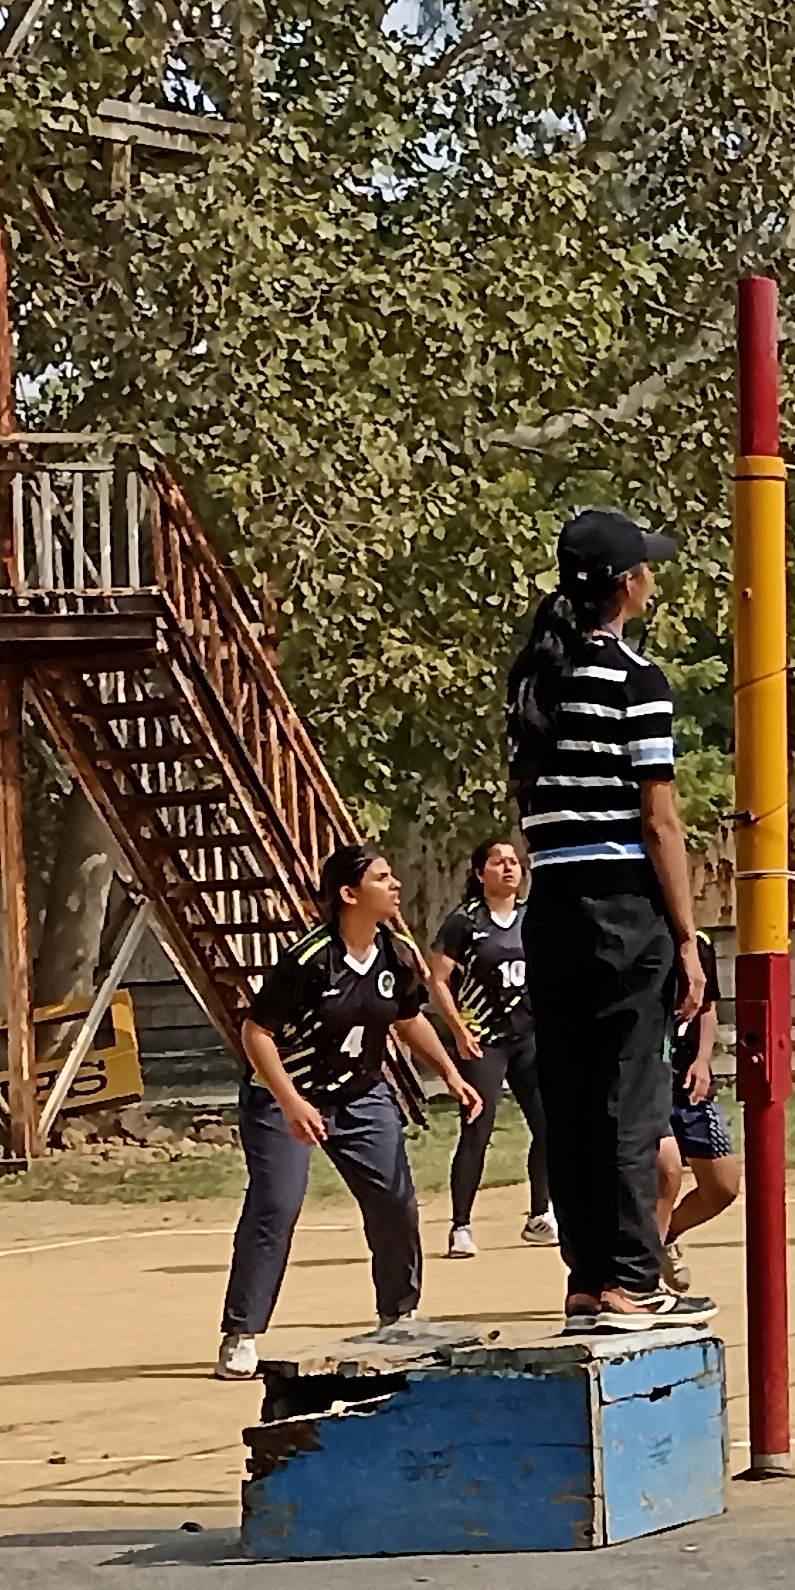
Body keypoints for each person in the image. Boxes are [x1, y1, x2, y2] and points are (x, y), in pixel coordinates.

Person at [505, 508, 711, 1336]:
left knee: (575, 1096)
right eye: (647, 569)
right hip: (622, 904)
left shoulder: (537, 679)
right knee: (630, 1097)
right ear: (627, 586)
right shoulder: (634, 680)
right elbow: (660, 821)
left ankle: (589, 1280)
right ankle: (631, 1279)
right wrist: (689, 937)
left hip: (550, 906)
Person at [217, 846, 479, 1379]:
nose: (396, 884)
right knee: (277, 1207)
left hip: (360, 1094)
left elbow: (407, 1019)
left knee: (395, 1202)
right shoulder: (310, 960)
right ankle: (241, 1332)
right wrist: (291, 1102)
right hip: (284, 1095)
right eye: (383, 877)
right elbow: (255, 1032)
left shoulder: (398, 954)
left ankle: (398, 1315)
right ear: (349, 894)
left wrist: (450, 1073)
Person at [428, 837, 551, 1259]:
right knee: (478, 1128)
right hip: (485, 1042)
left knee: (549, 1125)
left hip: (530, 1039)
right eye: (497, 862)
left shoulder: (534, 919)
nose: (508, 868)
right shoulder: (465, 922)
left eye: (514, 861)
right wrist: (459, 1029)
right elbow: (437, 979)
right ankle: (461, 1225)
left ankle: (540, 1214)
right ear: (480, 873)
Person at [654, 953, 742, 1293]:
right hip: (646, 1081)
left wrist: (703, 1060)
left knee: (723, 1185)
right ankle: (641, 1272)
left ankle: (665, 1237)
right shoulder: (637, 932)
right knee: (664, 1171)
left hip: (687, 1084)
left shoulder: (697, 945)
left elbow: (707, 1007)